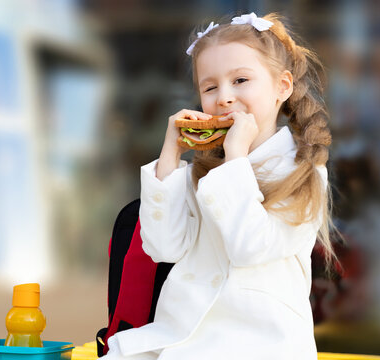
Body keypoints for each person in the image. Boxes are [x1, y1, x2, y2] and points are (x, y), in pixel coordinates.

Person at [101, 12, 335, 360]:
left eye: (241, 80)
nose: (224, 97)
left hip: (261, 344)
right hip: (182, 335)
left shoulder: (304, 172)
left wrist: (236, 156)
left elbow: (248, 247)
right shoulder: (208, 168)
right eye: (210, 87)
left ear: (282, 87)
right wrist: (171, 153)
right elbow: (164, 248)